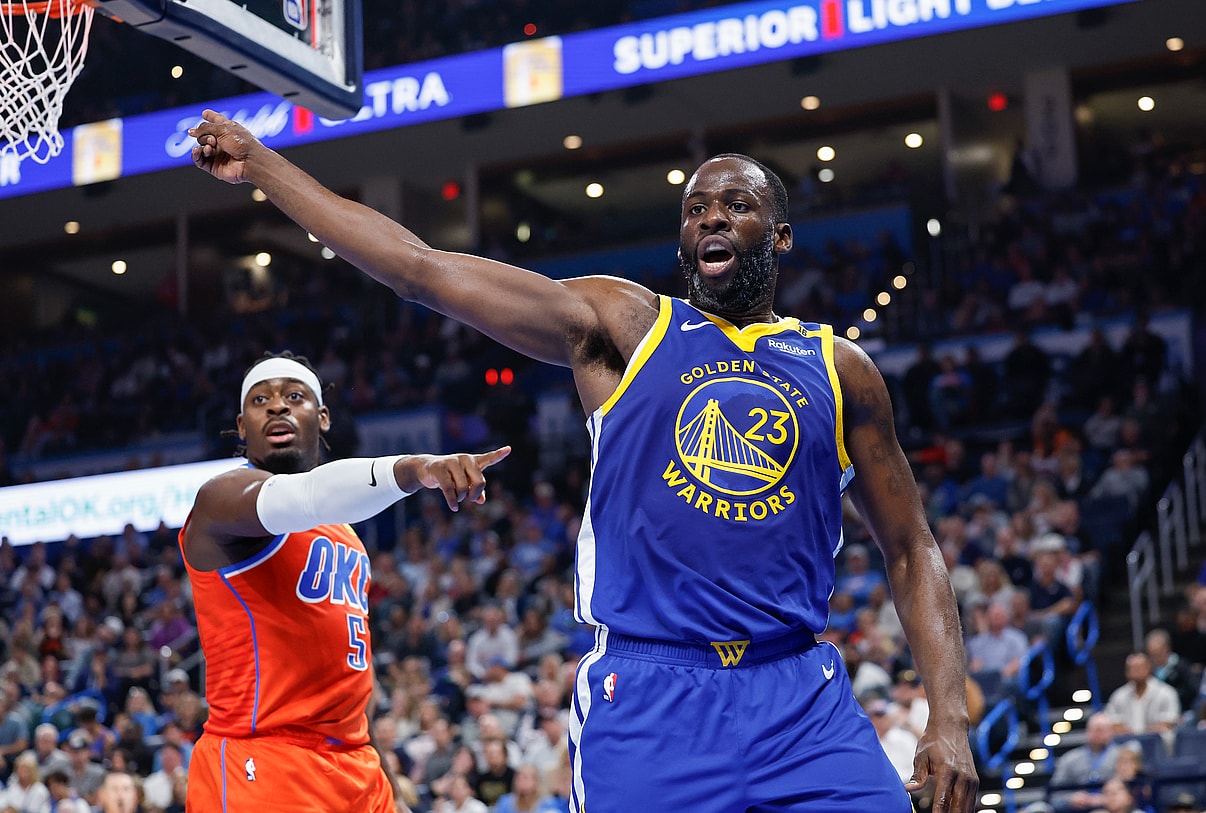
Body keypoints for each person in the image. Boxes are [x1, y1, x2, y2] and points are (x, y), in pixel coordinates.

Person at [189, 114, 979, 811]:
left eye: (737, 205)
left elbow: (912, 547)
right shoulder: (625, 325)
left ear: (778, 236)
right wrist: (261, 162)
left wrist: (948, 717)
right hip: (650, 693)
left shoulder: (840, 369)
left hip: (799, 692)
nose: (712, 217)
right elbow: (420, 269)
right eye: (696, 207)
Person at [175, 350, 510, 812]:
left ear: (323, 416)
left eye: (294, 396)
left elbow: (354, 675)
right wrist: (418, 469)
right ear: (241, 425)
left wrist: (387, 784)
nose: (277, 406)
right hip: (265, 761)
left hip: (356, 766)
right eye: (260, 400)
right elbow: (307, 495)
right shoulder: (221, 502)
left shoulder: (347, 534)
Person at [1046, 712, 1121, 813]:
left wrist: (1106, 799)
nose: (1097, 733)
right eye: (1094, 729)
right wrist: (1070, 799)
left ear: (1111, 732)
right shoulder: (1069, 759)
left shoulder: (1122, 757)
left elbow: (1130, 792)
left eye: (1101, 730)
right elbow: (1054, 794)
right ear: (1087, 731)